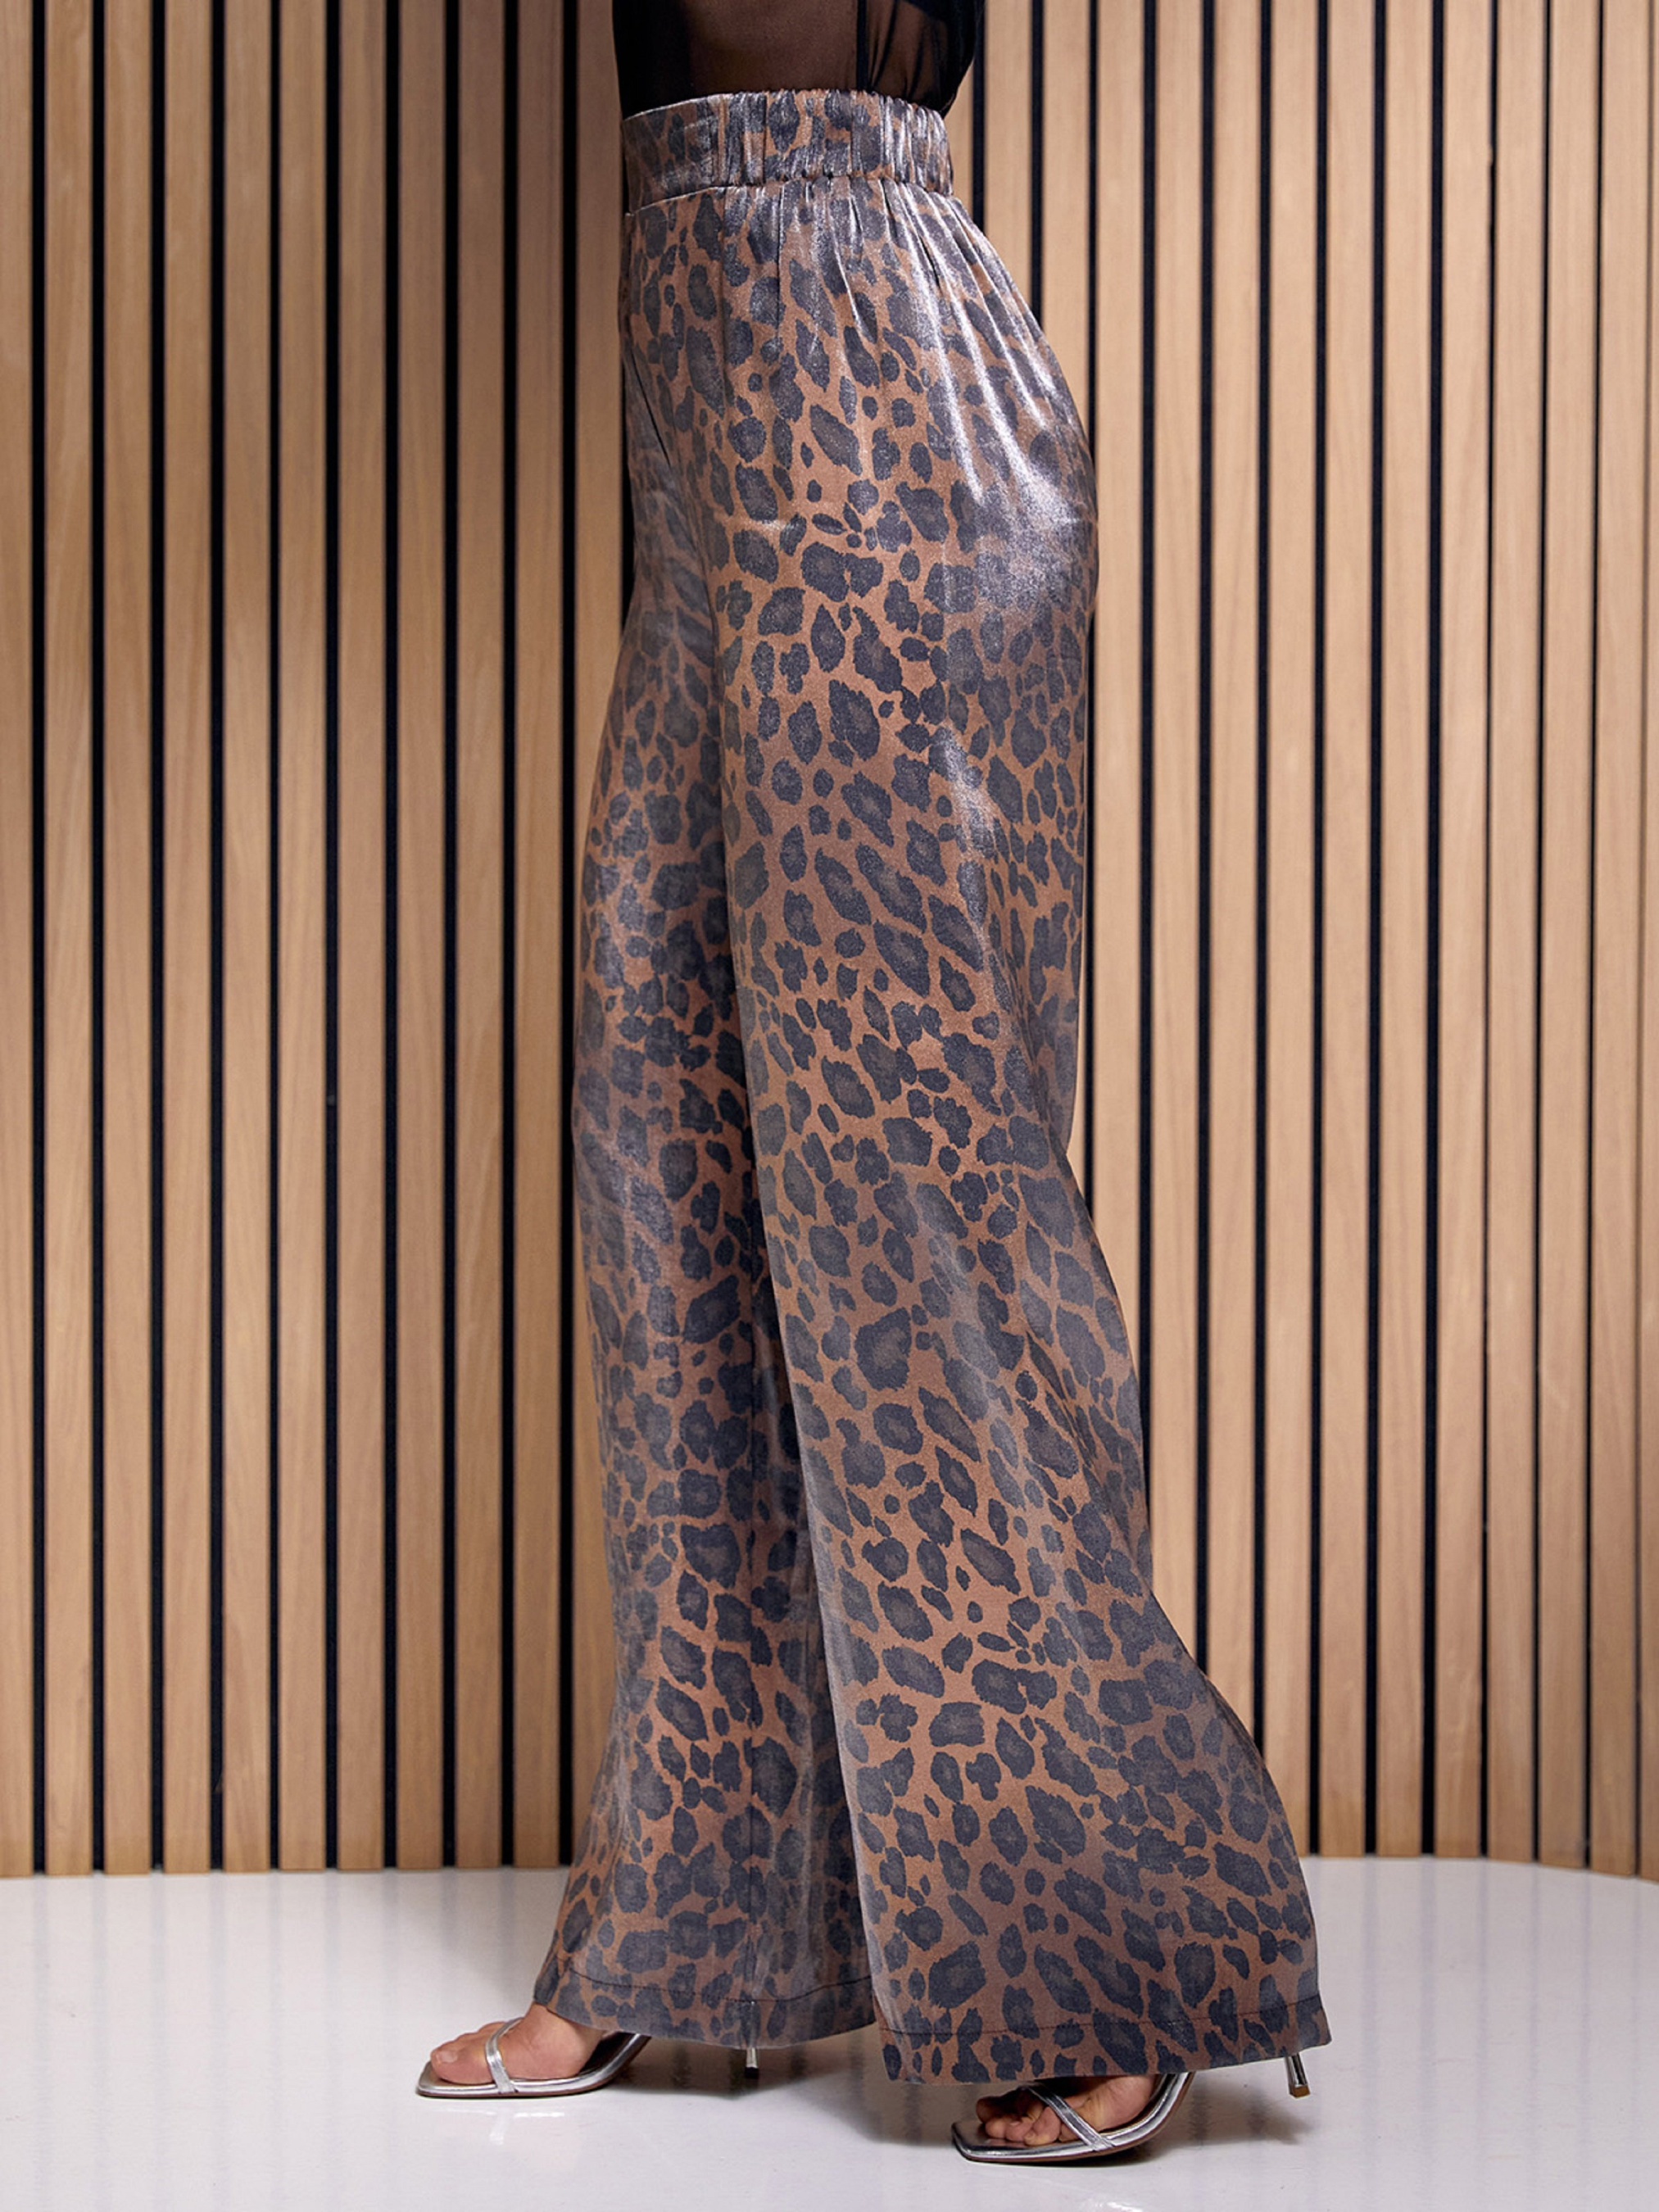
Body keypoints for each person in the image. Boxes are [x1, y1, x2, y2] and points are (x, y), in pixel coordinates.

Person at [420, 0, 1330, 2164]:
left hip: (882, 433)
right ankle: (692, 1924)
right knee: (674, 1177)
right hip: (713, 466)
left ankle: (1103, 1955)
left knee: (916, 1208)